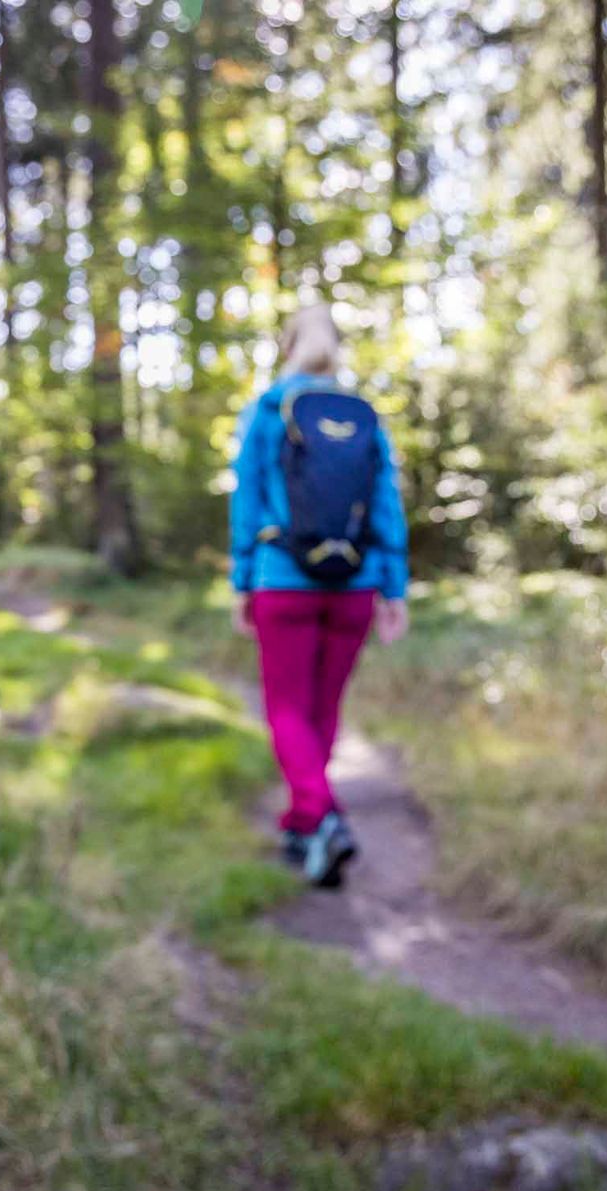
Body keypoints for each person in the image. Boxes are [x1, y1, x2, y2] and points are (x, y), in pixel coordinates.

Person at [229, 303, 409, 888]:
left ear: (286, 348)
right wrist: (393, 586)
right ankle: (303, 818)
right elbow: (386, 502)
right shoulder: (362, 416)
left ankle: (323, 817)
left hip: (282, 579)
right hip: (354, 583)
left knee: (285, 707)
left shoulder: (268, 410)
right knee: (323, 708)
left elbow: (247, 499)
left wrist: (241, 577)